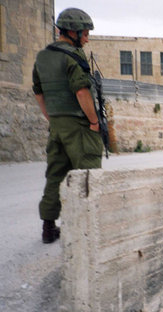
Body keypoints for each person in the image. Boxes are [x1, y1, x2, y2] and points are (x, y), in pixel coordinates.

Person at [32, 8, 102, 244]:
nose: (86, 38)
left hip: (57, 125)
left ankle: (48, 228)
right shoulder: (73, 56)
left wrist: (51, 119)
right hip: (79, 125)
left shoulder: (42, 57)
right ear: (72, 31)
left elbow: (38, 92)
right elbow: (82, 91)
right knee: (88, 175)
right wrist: (94, 122)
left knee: (55, 175)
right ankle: (87, 229)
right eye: (84, 33)